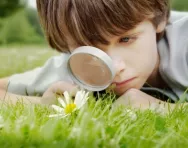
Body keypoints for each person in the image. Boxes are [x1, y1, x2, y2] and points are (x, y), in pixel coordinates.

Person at [0, 0, 188, 112]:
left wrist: (166, 109)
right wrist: (41, 104)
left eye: (126, 39)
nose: (114, 67)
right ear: (68, 46)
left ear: (160, 18)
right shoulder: (79, 67)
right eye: (89, 48)